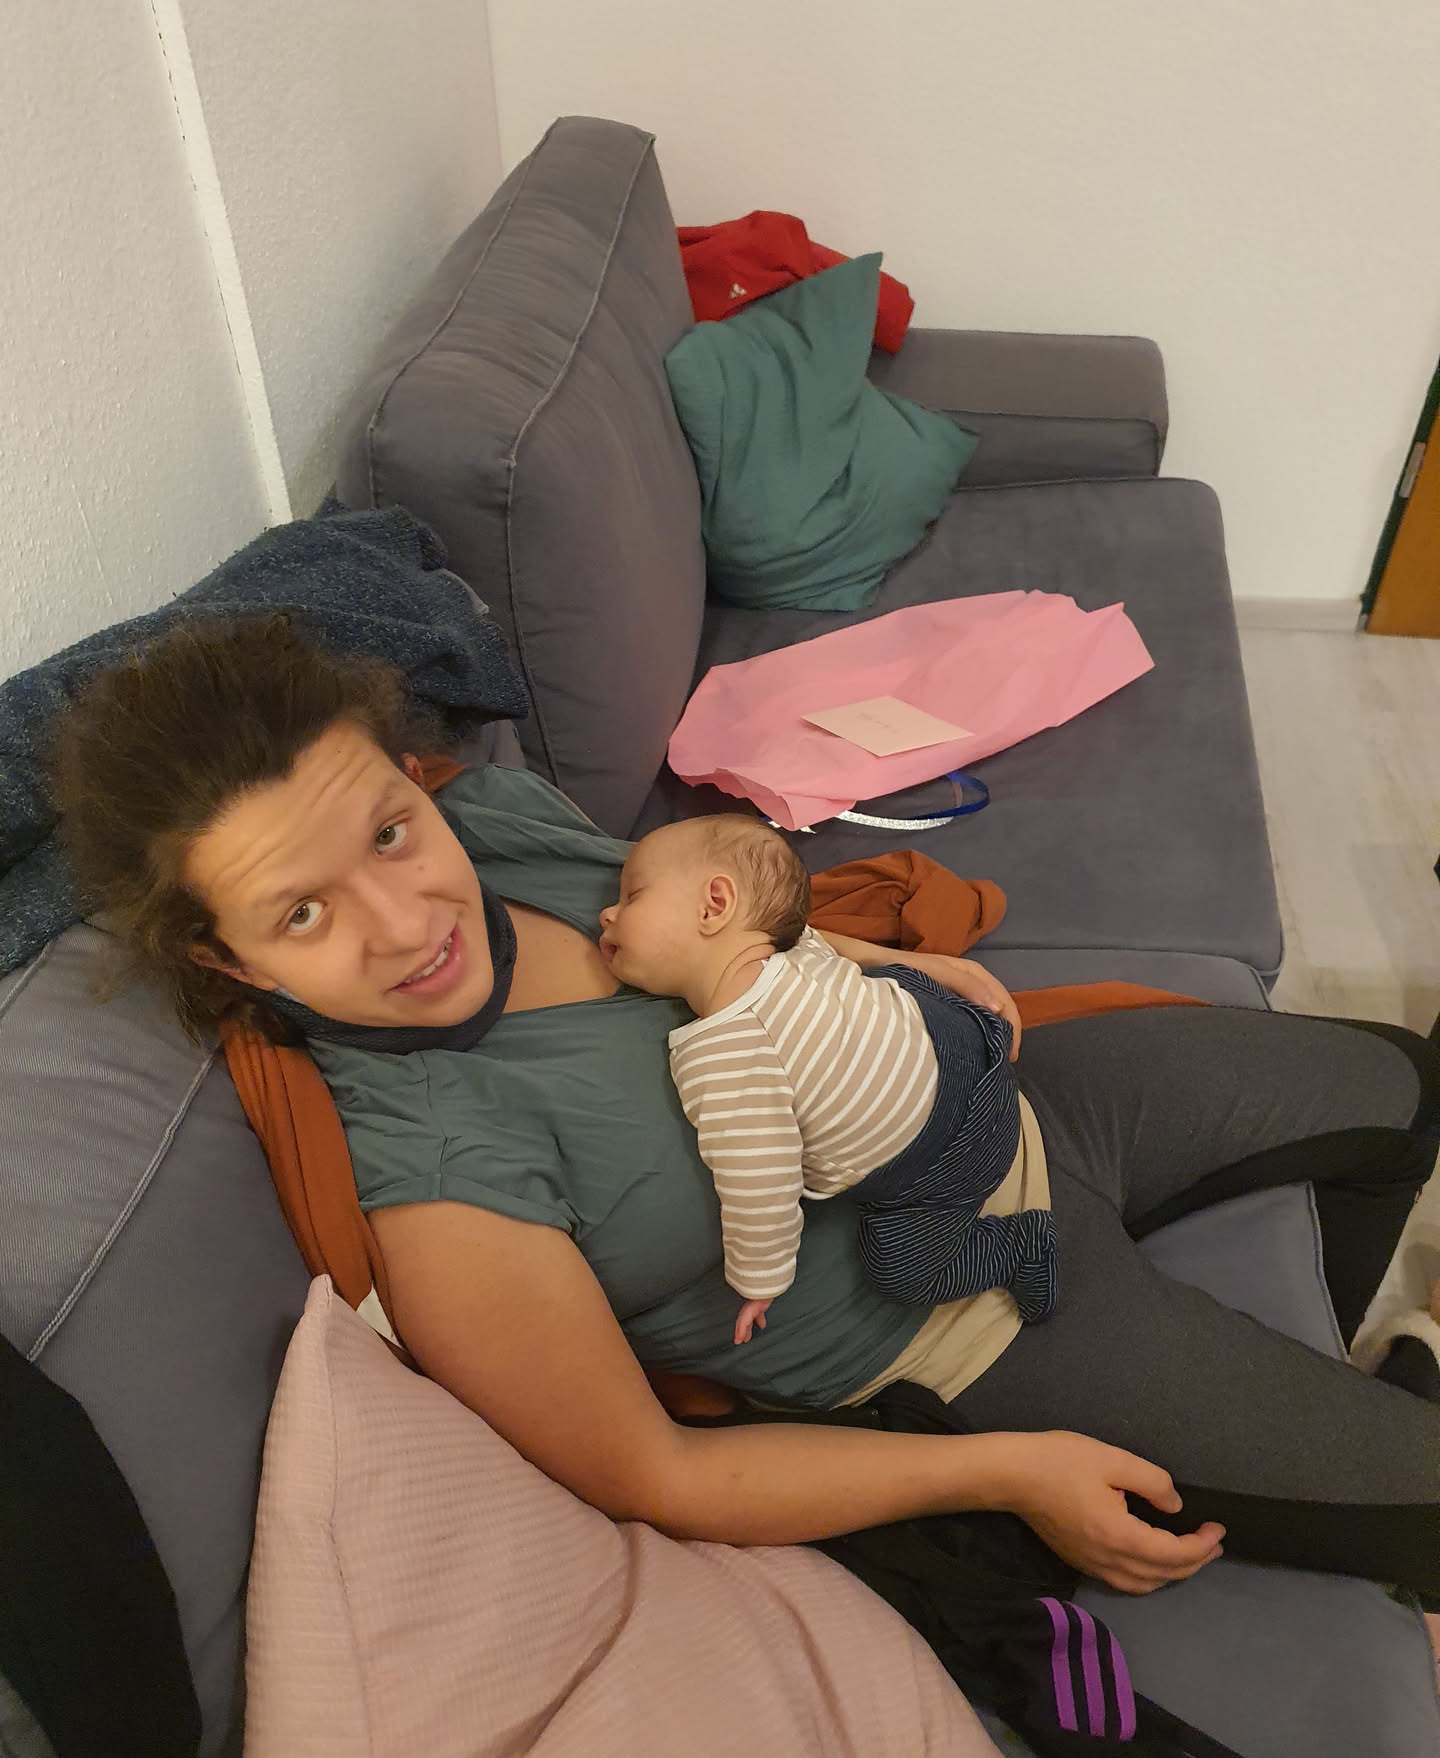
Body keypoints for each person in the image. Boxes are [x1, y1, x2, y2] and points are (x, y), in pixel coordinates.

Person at [55, 615, 1440, 1609]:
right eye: (302, 913)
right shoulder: (443, 1173)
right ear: (232, 961)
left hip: (1000, 1108)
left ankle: (1321, 1363)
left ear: (416, 784)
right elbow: (656, 1474)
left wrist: (886, 959)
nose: (409, 919)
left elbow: (725, 928)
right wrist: (1011, 1475)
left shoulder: (504, 826)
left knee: (1403, 1084)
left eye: (388, 833)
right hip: (965, 1333)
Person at [599, 816, 1054, 1346]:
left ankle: (1020, 1248)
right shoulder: (799, 948)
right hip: (971, 1039)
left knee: (904, 1273)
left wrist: (760, 1279)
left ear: (713, 905)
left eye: (631, 897)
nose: (606, 913)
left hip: (949, 1159)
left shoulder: (721, 1052)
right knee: (884, 982)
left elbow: (758, 1176)